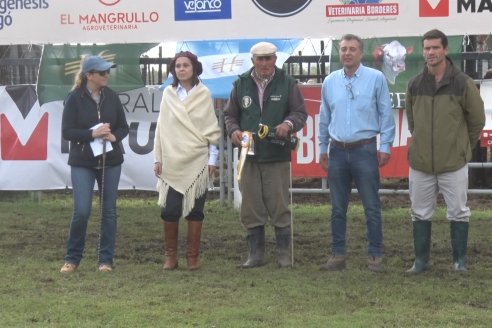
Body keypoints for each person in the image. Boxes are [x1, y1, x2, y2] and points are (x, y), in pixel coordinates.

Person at [405, 29, 485, 274]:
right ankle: (421, 261)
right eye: (427, 48)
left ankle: (459, 261)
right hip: (420, 164)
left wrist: (462, 148)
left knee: (459, 213)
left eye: (435, 48)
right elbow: (412, 122)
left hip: (454, 163)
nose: (430, 53)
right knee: (419, 213)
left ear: (445, 50)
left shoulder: (463, 83)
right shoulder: (414, 84)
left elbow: (477, 121)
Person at [224, 41, 307, 268]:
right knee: (250, 203)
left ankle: (283, 253)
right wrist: (234, 131)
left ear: (275, 59)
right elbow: (229, 115)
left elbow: (300, 112)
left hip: (277, 154)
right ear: (252, 61)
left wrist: (288, 124)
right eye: (259, 59)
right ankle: (256, 253)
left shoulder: (287, 83)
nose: (264, 63)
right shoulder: (240, 85)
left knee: (279, 202)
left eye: (268, 58)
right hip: (248, 155)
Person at [318, 34, 395, 272]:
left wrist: (385, 146)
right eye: (343, 49)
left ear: (361, 53)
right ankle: (338, 254)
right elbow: (324, 118)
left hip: (365, 149)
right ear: (339, 53)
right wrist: (323, 148)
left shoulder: (376, 78)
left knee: (371, 206)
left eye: (352, 49)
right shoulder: (330, 81)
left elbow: (386, 113)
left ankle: (375, 255)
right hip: (338, 151)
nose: (347, 53)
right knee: (337, 207)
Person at [60, 55, 129, 273]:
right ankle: (72, 259)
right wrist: (92, 133)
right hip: (82, 161)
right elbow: (67, 131)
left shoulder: (112, 96)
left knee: (108, 211)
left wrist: (114, 137)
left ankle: (105, 260)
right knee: (81, 210)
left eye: (108, 72)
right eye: (102, 72)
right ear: (89, 75)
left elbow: (123, 127)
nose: (106, 75)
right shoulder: (74, 98)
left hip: (111, 160)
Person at [153, 51, 221, 271]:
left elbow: (211, 130)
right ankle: (170, 257)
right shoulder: (168, 95)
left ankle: (193, 257)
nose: (181, 69)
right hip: (172, 160)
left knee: (195, 210)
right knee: (169, 210)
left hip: (198, 159)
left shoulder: (204, 94)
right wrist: (158, 158)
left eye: (185, 65)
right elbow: (161, 129)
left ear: (194, 68)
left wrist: (213, 159)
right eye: (177, 66)